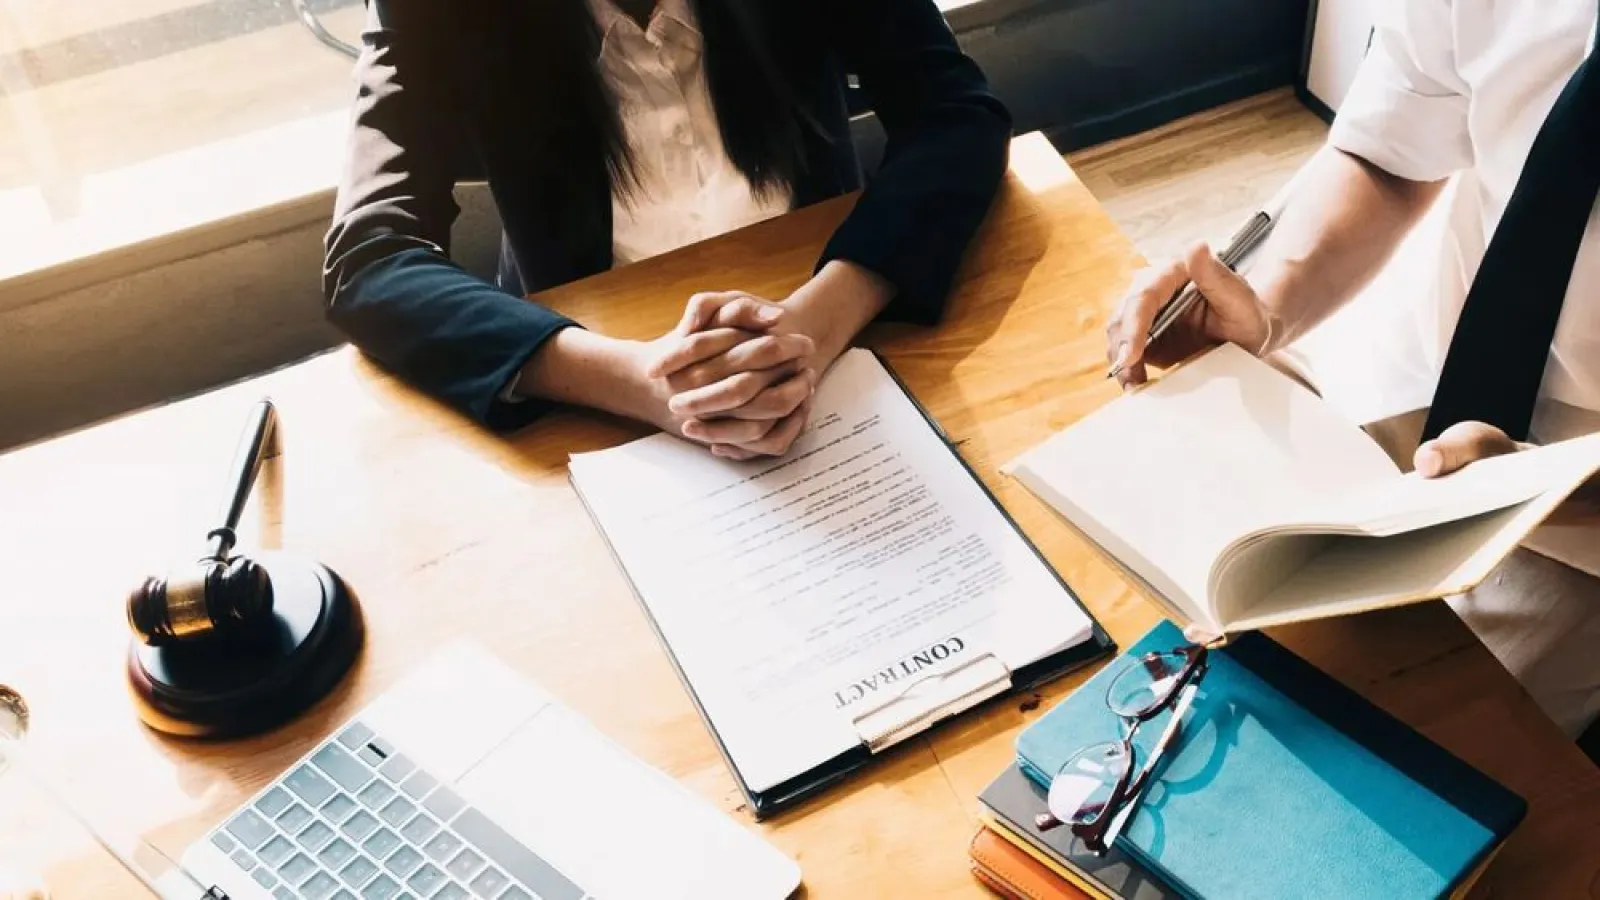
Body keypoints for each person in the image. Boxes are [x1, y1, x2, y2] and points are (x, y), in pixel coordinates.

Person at [1105, 0, 1600, 746]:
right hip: (1435, 351)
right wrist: (1266, 303)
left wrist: (1544, 488)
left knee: (1376, 756)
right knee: (1135, 578)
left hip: (1576, 519)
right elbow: (1388, 152)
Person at [323, 0, 1010, 460]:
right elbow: (370, 258)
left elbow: (957, 114)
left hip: (843, 320)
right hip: (598, 385)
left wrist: (817, 320)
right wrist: (639, 379)